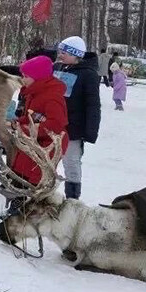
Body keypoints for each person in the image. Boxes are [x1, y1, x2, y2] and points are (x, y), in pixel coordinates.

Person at [0, 55, 69, 219]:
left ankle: (27, 214)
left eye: (26, 76)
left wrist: (26, 129)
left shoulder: (52, 97)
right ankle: (15, 211)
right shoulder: (34, 93)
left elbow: (56, 125)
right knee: (20, 174)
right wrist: (18, 122)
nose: (23, 79)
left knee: (32, 179)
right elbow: (32, 115)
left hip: (47, 145)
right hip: (32, 142)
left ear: (38, 78)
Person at [52, 36, 101, 200]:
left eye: (64, 52)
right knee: (45, 160)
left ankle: (72, 200)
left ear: (75, 54)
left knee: (71, 162)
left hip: (73, 128)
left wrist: (90, 131)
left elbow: (93, 105)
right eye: (60, 51)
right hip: (52, 124)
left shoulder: (89, 75)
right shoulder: (58, 67)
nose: (60, 54)